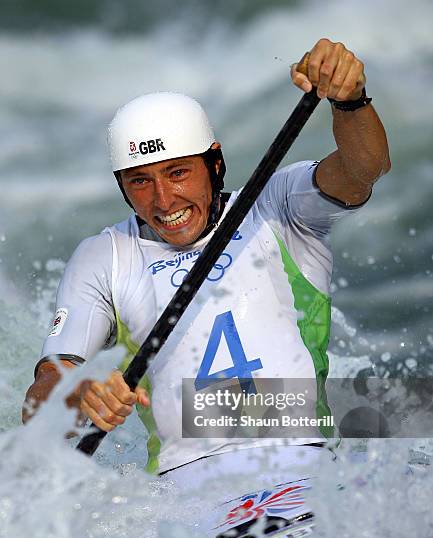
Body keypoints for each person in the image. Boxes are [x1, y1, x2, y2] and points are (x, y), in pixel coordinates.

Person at [23, 38, 390, 482]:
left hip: (306, 459)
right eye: (140, 182)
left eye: (178, 173)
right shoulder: (105, 257)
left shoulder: (277, 206)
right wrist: (79, 393)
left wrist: (350, 101)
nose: (162, 200)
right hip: (184, 489)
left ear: (215, 162)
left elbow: (362, 168)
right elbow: (41, 395)